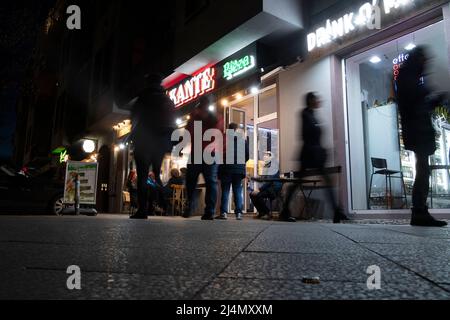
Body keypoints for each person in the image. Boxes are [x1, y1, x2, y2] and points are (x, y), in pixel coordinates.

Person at [396, 46, 447, 227]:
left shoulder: (408, 76)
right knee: (422, 170)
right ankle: (419, 211)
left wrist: (432, 99)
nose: (427, 64)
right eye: (425, 60)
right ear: (419, 60)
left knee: (422, 169)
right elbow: (414, 104)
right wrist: (431, 96)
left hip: (417, 129)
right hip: (418, 130)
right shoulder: (409, 78)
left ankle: (420, 210)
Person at [282, 92, 348, 223]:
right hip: (308, 154)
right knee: (298, 183)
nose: (319, 101)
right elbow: (305, 135)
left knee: (317, 181)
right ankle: (285, 211)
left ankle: (336, 211)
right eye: (316, 99)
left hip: (315, 155)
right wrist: (318, 149)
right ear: (311, 100)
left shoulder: (312, 114)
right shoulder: (305, 114)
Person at [129, 74, 176, 219]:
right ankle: (164, 204)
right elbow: (172, 123)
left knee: (143, 176)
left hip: (144, 141)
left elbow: (134, 119)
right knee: (157, 176)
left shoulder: (142, 98)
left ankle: (143, 210)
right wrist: (170, 143)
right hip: (160, 143)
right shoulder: (167, 99)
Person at [183, 96, 224, 220]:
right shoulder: (217, 117)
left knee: (191, 181)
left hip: (199, 152)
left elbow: (188, 131)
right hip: (210, 152)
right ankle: (209, 211)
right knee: (210, 181)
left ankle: (190, 208)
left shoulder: (195, 115)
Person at [217, 123, 249, 220]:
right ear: (236, 130)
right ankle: (238, 213)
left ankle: (223, 213)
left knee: (226, 191)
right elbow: (247, 156)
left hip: (226, 169)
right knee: (237, 191)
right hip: (238, 170)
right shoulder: (243, 141)